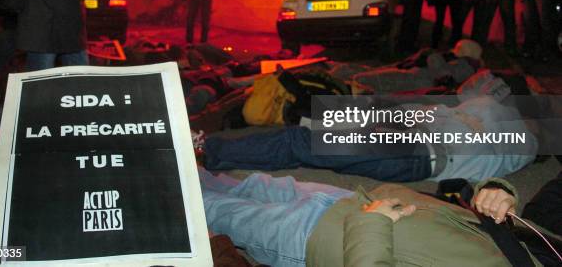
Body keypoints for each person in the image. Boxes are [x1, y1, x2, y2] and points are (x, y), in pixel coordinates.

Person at [203, 73, 538, 183]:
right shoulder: (480, 109)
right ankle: (214, 146)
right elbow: (439, 110)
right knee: (309, 132)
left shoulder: (520, 136)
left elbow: (504, 148)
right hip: (406, 133)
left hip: (419, 151)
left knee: (300, 143)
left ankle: (209, 149)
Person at [200, 167, 562, 267]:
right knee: (239, 184)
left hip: (322, 238)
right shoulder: (553, 251)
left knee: (212, 208)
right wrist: (498, 193)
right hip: (358, 200)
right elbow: (530, 215)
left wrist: (372, 223)